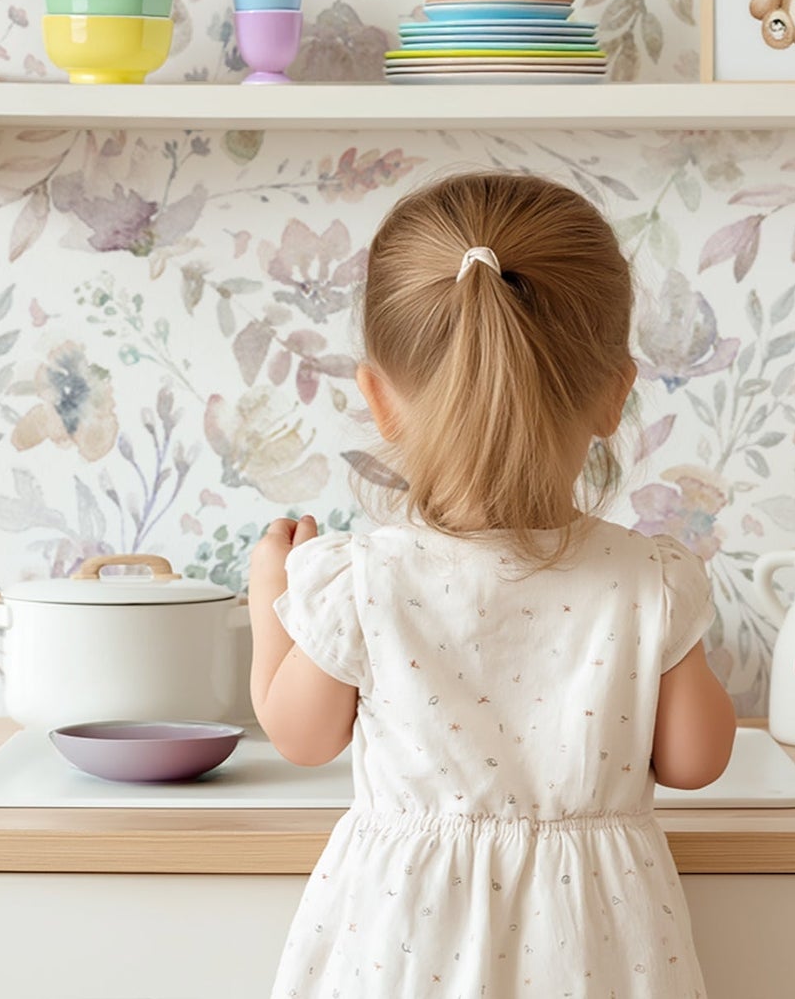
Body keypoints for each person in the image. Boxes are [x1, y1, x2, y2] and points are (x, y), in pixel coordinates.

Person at [249, 171, 735, 997]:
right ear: (616, 392)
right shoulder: (648, 579)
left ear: (378, 398)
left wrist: (273, 604)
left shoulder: (365, 578)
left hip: (408, 941)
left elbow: (299, 737)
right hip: (595, 945)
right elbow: (694, 761)